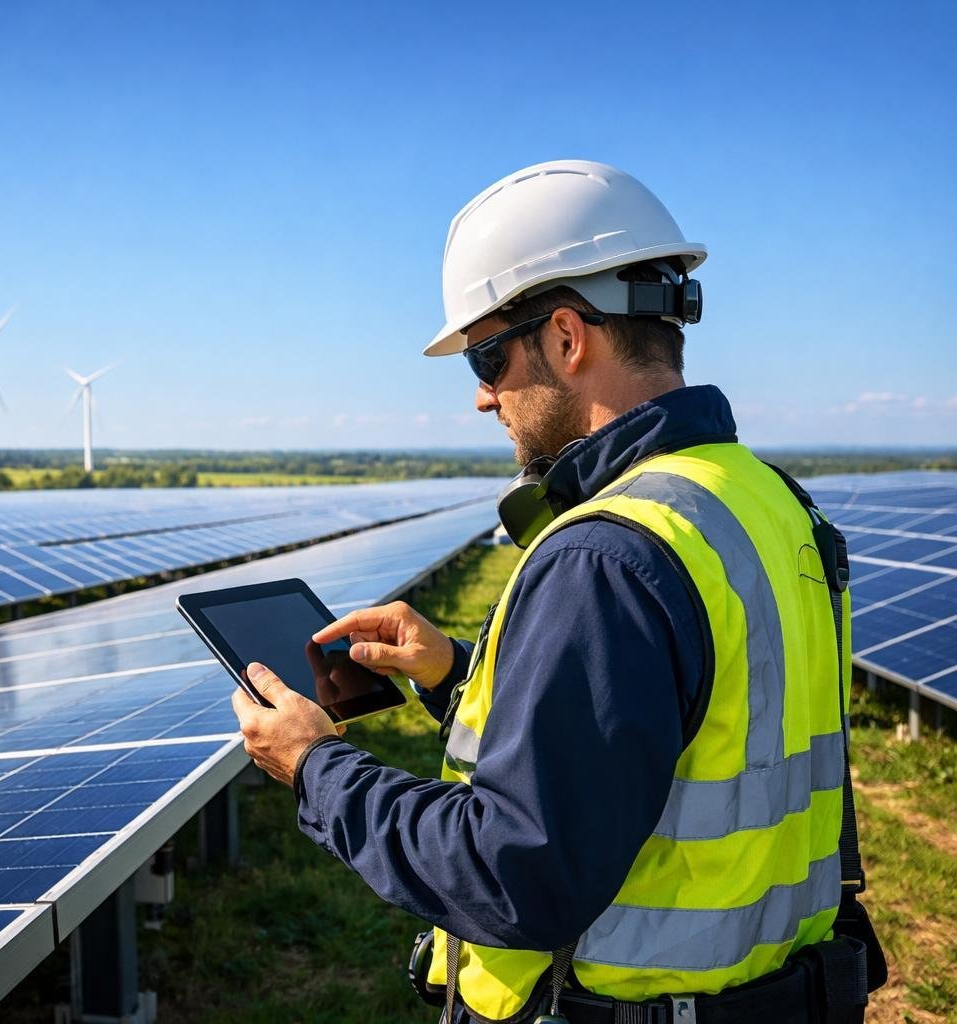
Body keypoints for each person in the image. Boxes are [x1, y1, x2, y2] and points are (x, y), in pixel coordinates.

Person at [231, 160, 882, 1023]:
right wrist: (453, 672)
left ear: (569, 338)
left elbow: (515, 876)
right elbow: (690, 722)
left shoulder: (607, 557)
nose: (480, 395)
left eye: (487, 354)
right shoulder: (765, 500)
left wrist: (317, 769)